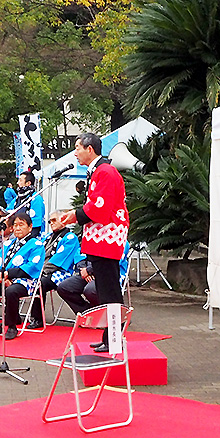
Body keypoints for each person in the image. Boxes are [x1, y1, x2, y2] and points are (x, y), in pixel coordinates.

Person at [60, 132, 129, 353]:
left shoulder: (106, 172)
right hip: (102, 238)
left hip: (106, 237)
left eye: (78, 147)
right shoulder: (99, 171)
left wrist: (75, 214)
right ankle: (109, 337)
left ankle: (114, 339)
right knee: (105, 289)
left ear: (90, 149)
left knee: (109, 290)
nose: (75, 152)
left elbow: (100, 207)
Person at [0, 212, 43, 340]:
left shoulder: (36, 245)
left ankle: (11, 326)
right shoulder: (9, 243)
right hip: (3, 279)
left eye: (21, 225)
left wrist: (8, 274)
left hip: (25, 281)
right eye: (15, 225)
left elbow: (32, 266)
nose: (17, 228)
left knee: (11, 291)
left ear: (30, 227)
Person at [26, 210, 81, 329]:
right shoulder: (47, 236)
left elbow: (59, 260)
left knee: (39, 283)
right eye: (50, 221)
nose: (51, 223)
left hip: (62, 272)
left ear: (64, 220)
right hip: (43, 270)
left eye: (54, 220)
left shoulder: (70, 237)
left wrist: (38, 271)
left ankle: (37, 318)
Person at [7, 171, 45, 237]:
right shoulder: (17, 198)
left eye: (20, 180)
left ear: (28, 183)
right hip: (17, 234)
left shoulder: (35, 198)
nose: (17, 183)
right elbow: (8, 211)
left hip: (31, 236)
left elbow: (36, 224)